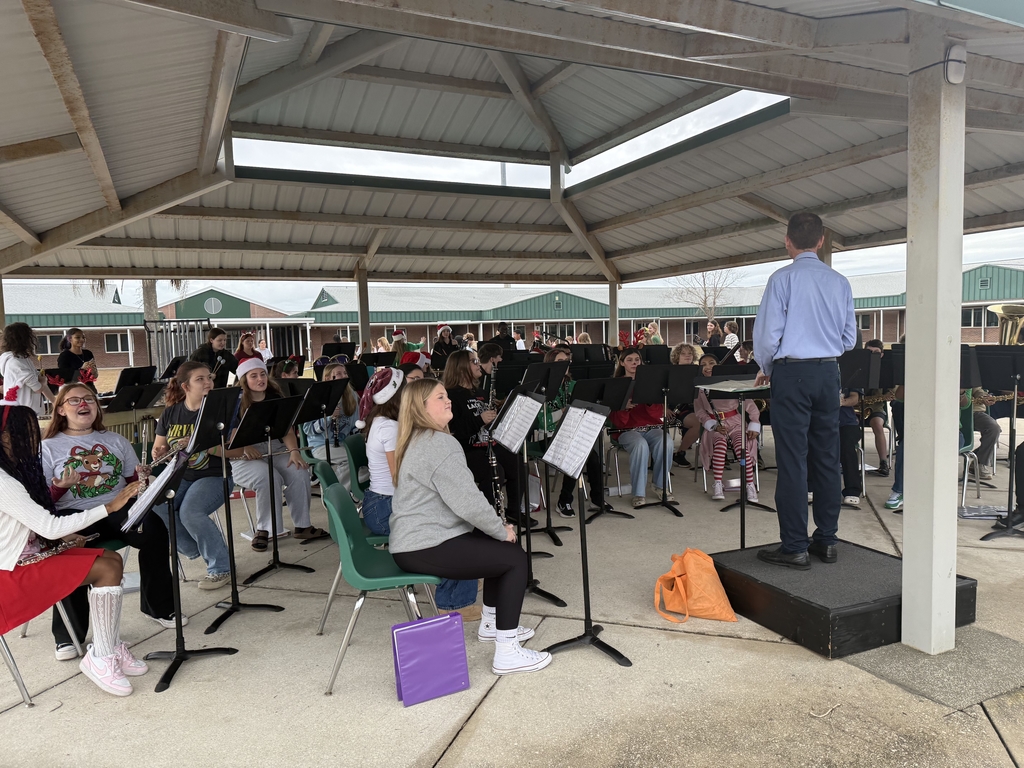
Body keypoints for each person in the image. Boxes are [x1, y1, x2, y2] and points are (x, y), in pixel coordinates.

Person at [388, 379, 550, 676]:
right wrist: (502, 530)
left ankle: (491, 622)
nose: (448, 400)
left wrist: (495, 531)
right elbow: (468, 503)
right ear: (421, 408)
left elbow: (462, 503)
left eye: (446, 395)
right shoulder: (439, 443)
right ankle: (507, 653)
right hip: (423, 543)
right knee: (514, 558)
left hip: (417, 541)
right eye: (440, 397)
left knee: (495, 547)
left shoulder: (421, 438)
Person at [0, 404, 146, 696]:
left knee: (112, 560)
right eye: (27, 433)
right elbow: (48, 526)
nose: (35, 438)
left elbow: (36, 526)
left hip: (29, 556)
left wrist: (69, 534)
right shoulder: (3, 481)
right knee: (106, 567)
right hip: (12, 574)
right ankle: (100, 658)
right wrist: (108, 507)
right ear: (5, 437)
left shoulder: (11, 471)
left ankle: (108, 647)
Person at [40, 383, 177, 658]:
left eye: (89, 399)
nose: (83, 404)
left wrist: (142, 478)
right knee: (72, 552)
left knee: (154, 529)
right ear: (61, 410)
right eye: (74, 400)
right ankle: (69, 634)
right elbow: (42, 501)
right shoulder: (47, 448)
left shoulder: (115, 441)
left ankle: (159, 606)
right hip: (73, 514)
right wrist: (60, 487)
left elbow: (130, 483)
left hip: (117, 510)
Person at [753, 212, 856, 569]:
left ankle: (795, 545)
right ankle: (827, 540)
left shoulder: (782, 279)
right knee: (828, 456)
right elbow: (849, 338)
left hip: (791, 374)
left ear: (787, 241)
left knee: (793, 460)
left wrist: (767, 367)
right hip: (829, 373)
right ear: (822, 240)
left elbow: (767, 335)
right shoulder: (839, 281)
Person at [228, 358, 328, 552]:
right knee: (268, 477)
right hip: (243, 455)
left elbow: (286, 429)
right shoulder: (235, 401)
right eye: (253, 376)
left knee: (299, 471)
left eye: (263, 374)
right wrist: (245, 446)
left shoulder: (275, 397)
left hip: (273, 446)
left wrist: (295, 452)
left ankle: (303, 525)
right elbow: (231, 435)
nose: (260, 379)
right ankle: (265, 529)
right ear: (244, 380)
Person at [151, 362, 234, 589]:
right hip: (181, 476)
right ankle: (195, 547)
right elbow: (159, 448)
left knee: (190, 512)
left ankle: (221, 568)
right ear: (186, 386)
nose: (208, 382)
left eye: (209, 377)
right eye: (201, 379)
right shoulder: (170, 413)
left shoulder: (221, 411)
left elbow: (237, 450)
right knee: (155, 504)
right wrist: (161, 452)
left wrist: (203, 446)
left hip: (215, 475)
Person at [537, 348, 607, 518]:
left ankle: (597, 499)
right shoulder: (542, 388)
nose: (565, 364)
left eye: (567, 360)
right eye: (560, 361)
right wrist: (562, 412)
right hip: (547, 436)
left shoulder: (574, 385)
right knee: (575, 452)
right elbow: (541, 421)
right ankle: (563, 500)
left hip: (572, 434)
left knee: (592, 456)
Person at [609, 347, 674, 508]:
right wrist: (624, 408)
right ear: (622, 363)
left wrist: (651, 401)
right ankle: (638, 492)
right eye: (629, 360)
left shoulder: (651, 383)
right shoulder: (617, 384)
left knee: (666, 441)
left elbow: (658, 414)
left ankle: (660, 485)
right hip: (626, 430)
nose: (634, 363)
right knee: (640, 445)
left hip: (651, 427)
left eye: (637, 360)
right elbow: (616, 421)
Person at [695, 354, 760, 502]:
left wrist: (754, 425)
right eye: (703, 364)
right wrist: (713, 426)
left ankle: (749, 484)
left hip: (736, 422)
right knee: (720, 445)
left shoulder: (730, 383)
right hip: (715, 425)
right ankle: (717, 483)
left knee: (740, 446)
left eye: (712, 363)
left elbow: (752, 407)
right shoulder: (699, 388)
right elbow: (699, 411)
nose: (708, 367)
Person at [354, 368, 405, 536]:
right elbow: (398, 477)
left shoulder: (380, 420)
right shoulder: (389, 427)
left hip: (380, 503)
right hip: (383, 508)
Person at [302, 362, 359, 486]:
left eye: (345, 373)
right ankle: (338, 493)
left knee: (363, 458)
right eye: (339, 374)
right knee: (351, 459)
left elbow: (355, 426)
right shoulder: (317, 397)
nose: (344, 376)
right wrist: (328, 417)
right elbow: (308, 429)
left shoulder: (352, 396)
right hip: (320, 445)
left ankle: (350, 489)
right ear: (328, 378)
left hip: (342, 443)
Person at [0, 322, 54, 415]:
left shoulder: (22, 359)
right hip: (23, 413)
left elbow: (38, 382)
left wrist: (55, 401)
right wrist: (44, 381)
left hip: (29, 410)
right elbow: (38, 388)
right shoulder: (15, 362)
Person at [669, 343, 702, 467]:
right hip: (677, 408)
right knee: (698, 423)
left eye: (689, 353)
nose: (687, 356)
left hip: (697, 406)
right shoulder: (670, 371)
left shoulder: (698, 370)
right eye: (683, 353)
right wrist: (664, 407)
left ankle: (716, 454)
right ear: (677, 356)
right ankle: (680, 453)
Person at [862, 340, 890, 477]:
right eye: (869, 352)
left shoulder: (886, 370)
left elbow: (893, 391)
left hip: (875, 407)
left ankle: (883, 462)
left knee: (878, 425)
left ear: (882, 355)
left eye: (876, 353)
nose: (872, 355)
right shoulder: (858, 367)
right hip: (856, 406)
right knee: (848, 427)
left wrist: (889, 395)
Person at [839, 388, 863, 508]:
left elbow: (854, 398)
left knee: (847, 447)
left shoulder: (849, 372)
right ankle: (810, 486)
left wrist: (841, 402)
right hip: (821, 420)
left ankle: (852, 490)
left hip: (846, 423)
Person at [971, 386, 1002, 480]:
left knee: (994, 429)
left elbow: (977, 390)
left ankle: (980, 462)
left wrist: (984, 397)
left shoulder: (970, 372)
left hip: (974, 411)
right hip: (952, 410)